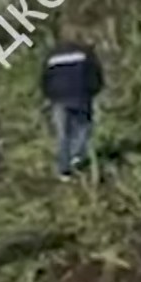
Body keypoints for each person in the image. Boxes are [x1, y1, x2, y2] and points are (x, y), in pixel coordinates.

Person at [40, 38, 105, 181]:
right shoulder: (86, 54)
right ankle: (77, 155)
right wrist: (93, 91)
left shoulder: (52, 55)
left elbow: (45, 78)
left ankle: (64, 170)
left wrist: (49, 96)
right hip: (80, 96)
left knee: (63, 134)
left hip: (58, 98)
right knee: (84, 126)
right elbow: (94, 75)